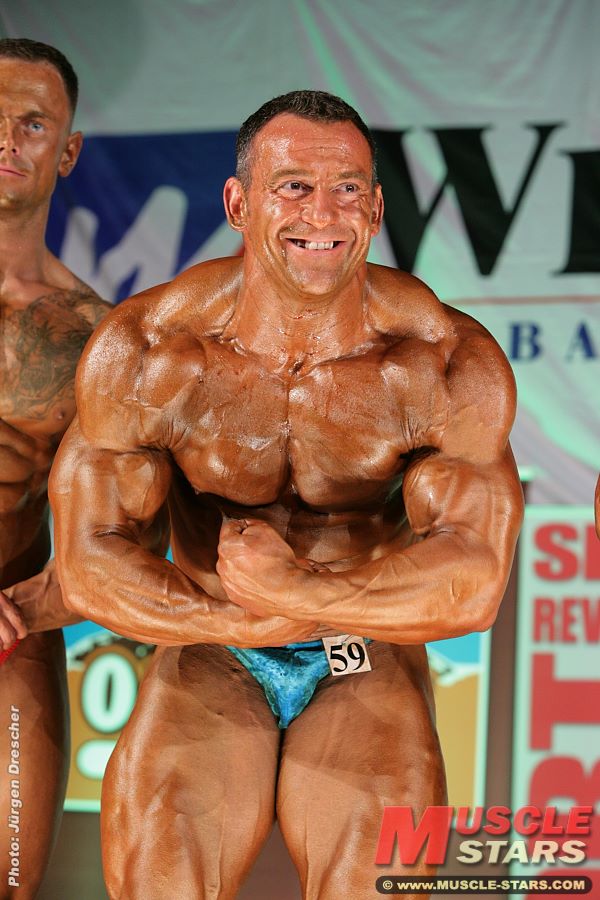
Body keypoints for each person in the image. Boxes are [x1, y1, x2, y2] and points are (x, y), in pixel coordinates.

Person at [51, 90, 523, 899]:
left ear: (376, 209)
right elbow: (89, 561)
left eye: (347, 189)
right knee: (164, 872)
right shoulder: (151, 351)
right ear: (239, 204)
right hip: (209, 644)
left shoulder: (440, 362)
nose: (323, 213)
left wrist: (302, 593)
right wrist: (243, 620)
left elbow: (474, 582)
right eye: (294, 186)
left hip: (360, 651)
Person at [0, 38, 110, 897]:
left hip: (11, 635)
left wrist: (36, 606)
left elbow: (123, 534)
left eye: (32, 124)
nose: (6, 141)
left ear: (67, 152)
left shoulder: (96, 341)